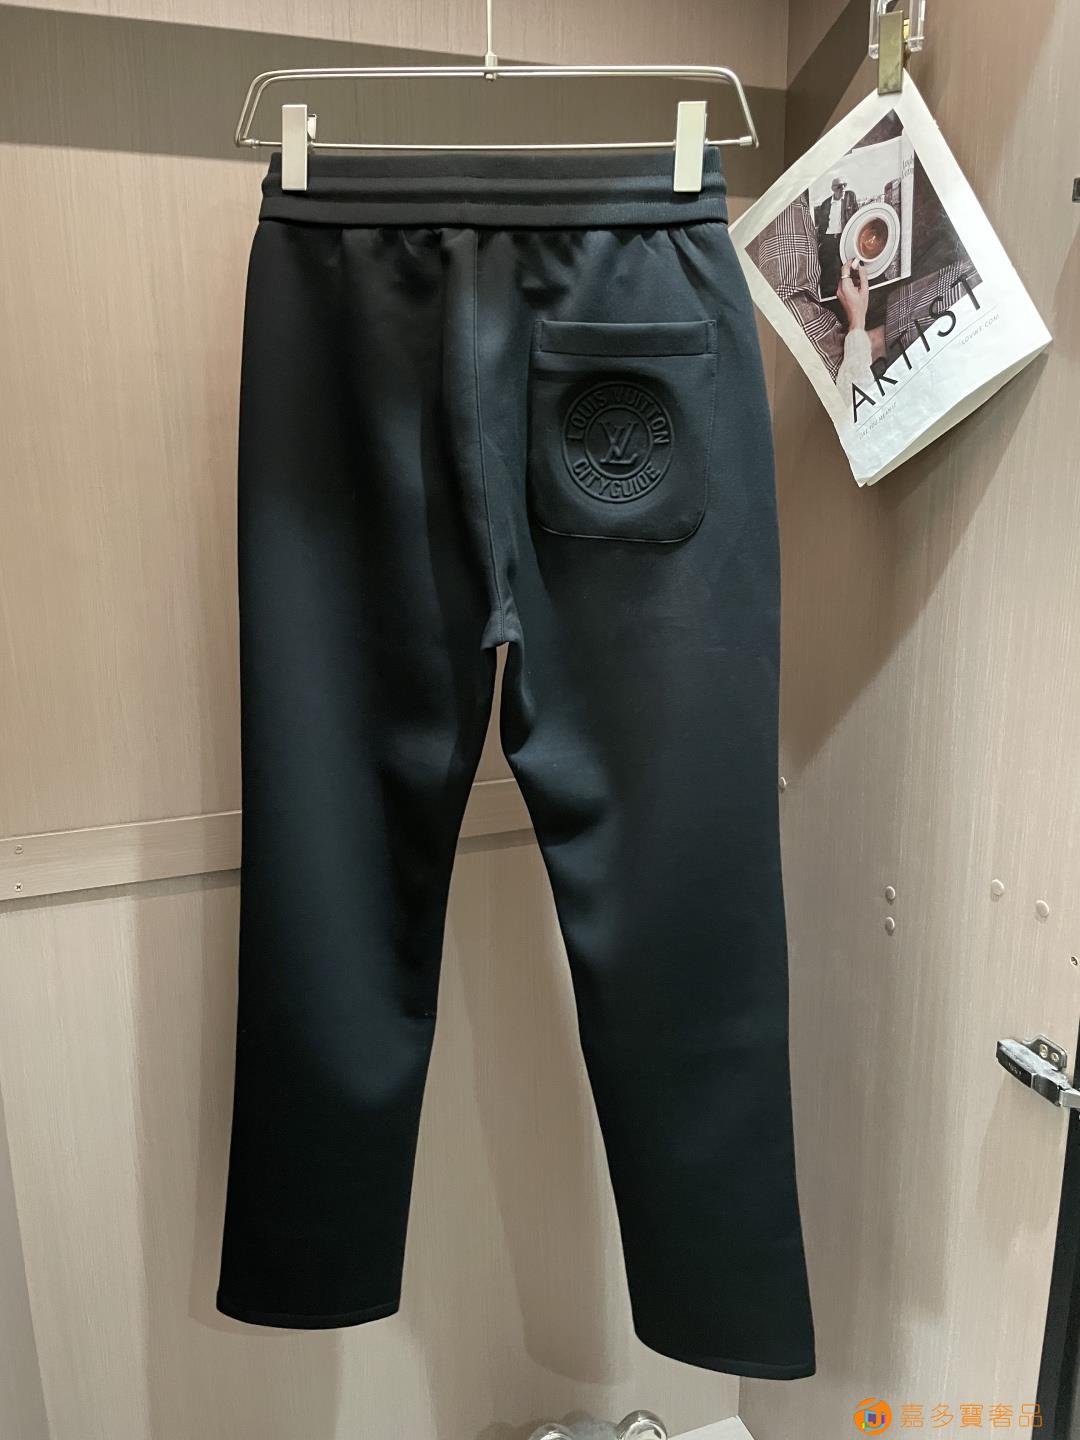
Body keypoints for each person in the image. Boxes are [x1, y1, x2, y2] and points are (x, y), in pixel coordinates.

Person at [815, 177, 857, 298]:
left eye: (844, 185)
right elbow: (822, 225)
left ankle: (850, 291)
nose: (842, 188)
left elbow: (855, 215)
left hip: (844, 237)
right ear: (833, 189)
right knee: (831, 270)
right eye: (839, 186)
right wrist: (821, 240)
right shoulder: (826, 204)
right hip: (829, 240)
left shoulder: (850, 197)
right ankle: (833, 295)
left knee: (847, 266)